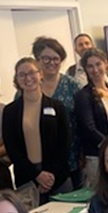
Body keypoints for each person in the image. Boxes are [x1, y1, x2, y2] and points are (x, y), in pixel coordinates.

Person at [2, 58, 73, 202]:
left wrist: (50, 176)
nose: (28, 78)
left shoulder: (57, 106)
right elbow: (12, 148)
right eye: (22, 75)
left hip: (57, 178)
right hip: (27, 179)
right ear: (16, 79)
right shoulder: (10, 111)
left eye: (31, 73)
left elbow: (65, 142)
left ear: (40, 74)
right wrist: (37, 175)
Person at [31, 36, 83, 189]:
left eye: (56, 58)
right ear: (37, 60)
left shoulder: (73, 85)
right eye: (46, 59)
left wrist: (82, 153)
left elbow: (81, 121)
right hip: (38, 162)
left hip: (71, 156)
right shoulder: (28, 88)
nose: (51, 63)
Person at [74, 49, 108, 189]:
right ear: (85, 70)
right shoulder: (83, 96)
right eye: (90, 66)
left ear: (106, 64)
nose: (95, 69)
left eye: (98, 64)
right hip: (97, 156)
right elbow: (88, 127)